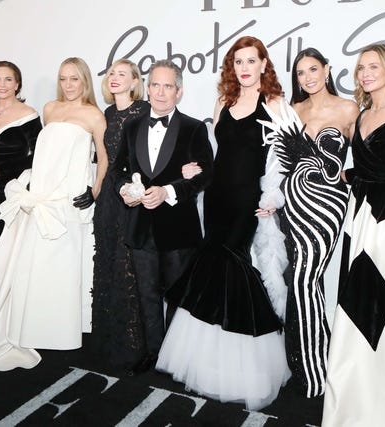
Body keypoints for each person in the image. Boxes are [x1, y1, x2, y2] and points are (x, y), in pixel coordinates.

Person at [0, 57, 108, 372]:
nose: (68, 85)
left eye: (74, 78)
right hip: (41, 196)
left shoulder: (94, 115)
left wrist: (95, 191)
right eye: (63, 78)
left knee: (65, 263)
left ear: (85, 81)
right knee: (36, 264)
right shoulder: (49, 109)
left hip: (70, 199)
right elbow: (43, 155)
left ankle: (64, 328)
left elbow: (103, 157)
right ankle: (34, 323)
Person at [156, 36, 291, 411]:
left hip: (247, 202)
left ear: (264, 64)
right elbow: (216, 154)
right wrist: (195, 168)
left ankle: (245, 372)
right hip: (216, 197)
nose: (244, 68)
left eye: (251, 60)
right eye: (238, 62)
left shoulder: (276, 104)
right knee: (212, 271)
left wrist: (273, 197)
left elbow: (284, 158)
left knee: (235, 268)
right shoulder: (224, 102)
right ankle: (209, 367)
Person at [321, 44, 385, 426]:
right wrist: (340, 175)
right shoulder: (362, 114)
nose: (365, 73)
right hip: (359, 218)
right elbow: (364, 169)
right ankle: (351, 397)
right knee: (353, 301)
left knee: (383, 304)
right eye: (361, 67)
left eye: (373, 66)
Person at [111, 59, 214, 376]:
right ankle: (154, 354)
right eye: (155, 84)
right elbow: (118, 170)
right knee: (147, 296)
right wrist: (125, 189)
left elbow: (206, 175)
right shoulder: (131, 127)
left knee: (179, 297)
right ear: (147, 87)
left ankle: (177, 358)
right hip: (140, 228)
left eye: (167, 86)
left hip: (179, 229)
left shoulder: (194, 128)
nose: (159, 92)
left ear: (178, 91)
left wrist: (168, 191)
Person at [274, 48, 359, 398]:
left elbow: (366, 158)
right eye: (300, 73)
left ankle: (313, 372)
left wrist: (345, 177)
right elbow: (279, 163)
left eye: (313, 69)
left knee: (304, 278)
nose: (307, 77)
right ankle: (313, 362)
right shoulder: (294, 110)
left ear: (326, 70)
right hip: (291, 204)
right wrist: (270, 200)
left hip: (327, 206)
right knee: (302, 280)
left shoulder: (349, 109)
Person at [91, 58, 150, 370]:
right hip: (108, 199)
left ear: (135, 82)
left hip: (132, 197)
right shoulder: (107, 113)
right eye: (112, 73)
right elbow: (102, 160)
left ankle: (133, 347)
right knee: (107, 262)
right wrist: (95, 189)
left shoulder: (143, 110)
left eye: (122, 74)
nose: (115, 78)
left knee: (129, 268)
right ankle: (107, 341)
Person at [0, 61, 42, 261]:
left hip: (15, 189)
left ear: (17, 84)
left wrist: (1, 170)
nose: (2, 84)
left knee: (13, 249)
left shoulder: (28, 114)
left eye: (8, 79)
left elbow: (39, 155)